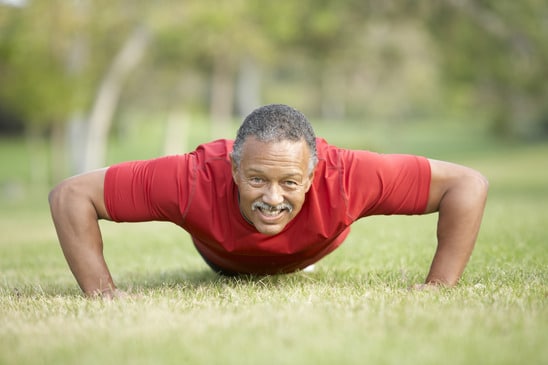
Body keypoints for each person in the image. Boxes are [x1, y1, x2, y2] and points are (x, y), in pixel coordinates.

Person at [49, 104, 489, 298]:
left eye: (291, 183)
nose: (273, 197)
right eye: (256, 179)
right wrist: (102, 293)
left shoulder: (350, 175)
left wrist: (438, 287)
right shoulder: (190, 178)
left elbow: (468, 185)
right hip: (224, 257)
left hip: (307, 250)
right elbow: (70, 195)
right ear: (233, 170)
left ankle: (303, 255)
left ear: (314, 175)